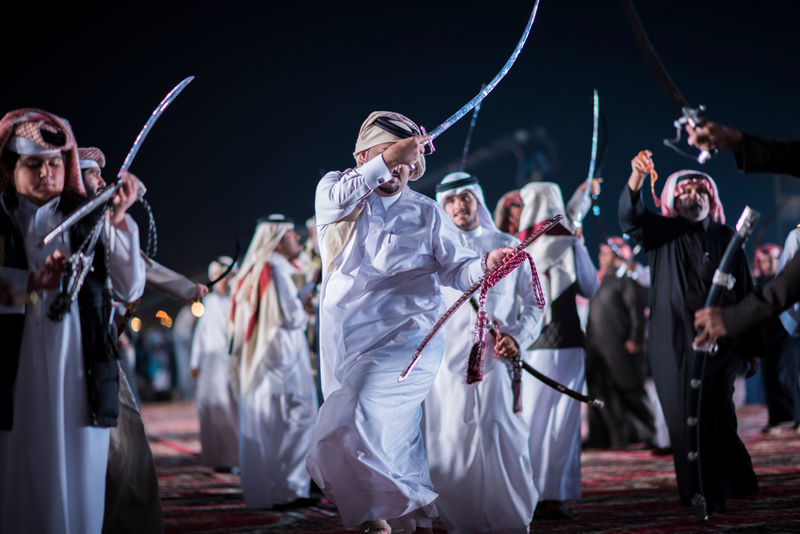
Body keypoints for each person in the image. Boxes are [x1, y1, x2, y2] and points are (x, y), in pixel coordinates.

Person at [305, 111, 514, 534]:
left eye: (404, 161)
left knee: (356, 414)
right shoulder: (335, 192)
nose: (396, 169)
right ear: (364, 155)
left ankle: (377, 514)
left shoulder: (426, 212)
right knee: (381, 434)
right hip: (343, 344)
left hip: (410, 342)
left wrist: (486, 265)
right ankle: (403, 520)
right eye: (386, 156)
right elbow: (335, 199)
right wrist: (388, 157)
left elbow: (458, 271)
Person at [0, 109, 146, 534]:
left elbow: (129, 286)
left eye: (55, 163)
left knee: (82, 481)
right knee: (22, 478)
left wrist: (118, 221)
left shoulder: (90, 218)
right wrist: (31, 282)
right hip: (15, 376)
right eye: (34, 164)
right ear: (12, 168)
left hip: (81, 372)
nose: (47, 173)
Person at [619, 150, 763, 512]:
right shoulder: (658, 233)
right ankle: (701, 493)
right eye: (683, 192)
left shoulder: (729, 236)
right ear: (671, 199)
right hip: (673, 346)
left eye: (700, 190)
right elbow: (629, 216)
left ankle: (730, 481)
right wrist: (636, 178)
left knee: (717, 413)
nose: (692, 196)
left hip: (724, 343)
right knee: (685, 423)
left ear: (711, 199)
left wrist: (752, 346)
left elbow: (746, 293)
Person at [424, 172, 545, 534]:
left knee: (501, 433)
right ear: (442, 207)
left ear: (477, 200)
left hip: (496, 360)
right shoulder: (433, 251)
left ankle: (512, 521)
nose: (459, 205)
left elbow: (537, 303)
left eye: (465, 197)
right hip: (446, 364)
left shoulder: (507, 243)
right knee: (452, 441)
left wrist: (519, 336)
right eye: (450, 200)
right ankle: (463, 524)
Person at [515, 181, 598, 519]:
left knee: (547, 423)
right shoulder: (557, 244)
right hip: (550, 345)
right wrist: (577, 236)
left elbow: (589, 286)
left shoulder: (525, 246)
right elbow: (589, 285)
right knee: (548, 422)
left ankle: (543, 494)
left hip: (549, 345)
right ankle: (544, 494)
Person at [229, 215, 318, 509]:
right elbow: (292, 317)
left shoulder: (256, 268)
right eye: (292, 235)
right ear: (278, 240)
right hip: (283, 359)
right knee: (300, 418)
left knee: (274, 425)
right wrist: (309, 295)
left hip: (267, 362)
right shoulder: (274, 269)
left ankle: (276, 489)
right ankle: (287, 490)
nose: (298, 240)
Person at [584, 237, 654, 449]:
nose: (601, 257)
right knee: (600, 393)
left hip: (621, 347)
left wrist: (636, 338)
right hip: (598, 347)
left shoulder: (628, 279)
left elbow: (637, 312)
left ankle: (647, 433)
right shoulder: (601, 279)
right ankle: (605, 438)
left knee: (630, 390)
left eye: (606, 253)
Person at [190, 257, 239, 470]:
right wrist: (195, 362)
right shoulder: (208, 303)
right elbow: (200, 335)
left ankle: (233, 459)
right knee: (208, 409)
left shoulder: (235, 302)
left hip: (228, 364)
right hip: (209, 366)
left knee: (228, 411)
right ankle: (214, 458)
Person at [750, 243, 800, 433]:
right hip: (767, 336)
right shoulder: (756, 284)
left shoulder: (788, 280)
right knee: (769, 376)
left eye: (773, 260)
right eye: (765, 261)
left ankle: (797, 418)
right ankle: (775, 420)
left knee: (788, 376)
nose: (769, 264)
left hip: (788, 335)